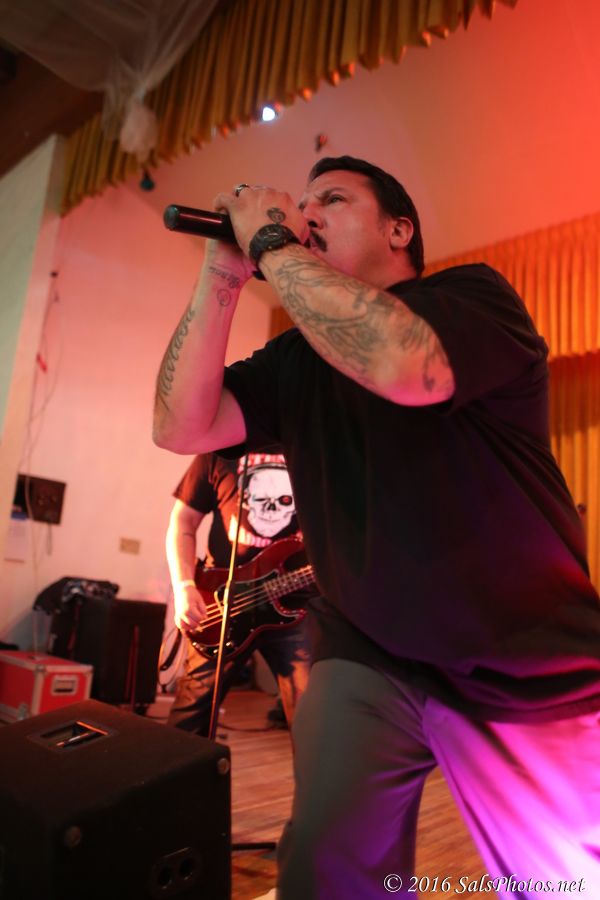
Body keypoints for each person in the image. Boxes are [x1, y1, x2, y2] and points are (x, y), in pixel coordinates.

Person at [153, 156, 600, 898]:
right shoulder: (296, 359)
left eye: (331, 199)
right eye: (301, 204)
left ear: (400, 230)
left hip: (519, 653)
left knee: (563, 882)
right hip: (365, 646)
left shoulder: (471, 296)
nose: (307, 213)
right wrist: (222, 271)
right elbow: (180, 426)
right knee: (328, 869)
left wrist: (272, 241)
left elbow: (403, 365)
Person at [165, 451, 312, 737]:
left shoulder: (313, 452)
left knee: (312, 724)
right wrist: (184, 586)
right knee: (189, 719)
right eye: (261, 501)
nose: (272, 509)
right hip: (222, 604)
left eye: (283, 502)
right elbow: (183, 521)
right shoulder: (220, 451)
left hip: (295, 604)